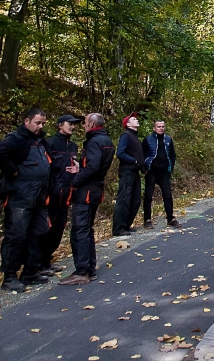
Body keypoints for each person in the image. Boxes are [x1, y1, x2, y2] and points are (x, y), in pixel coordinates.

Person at [0, 107, 52, 292]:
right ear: (27, 121)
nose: (40, 126)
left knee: (40, 231)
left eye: (43, 123)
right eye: (37, 123)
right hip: (20, 196)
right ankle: (9, 276)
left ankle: (31, 271)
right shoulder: (17, 139)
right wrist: (13, 170)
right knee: (16, 235)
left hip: (39, 196)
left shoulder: (39, 140)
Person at [59, 113, 115, 285]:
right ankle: (89, 268)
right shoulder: (106, 141)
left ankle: (82, 271)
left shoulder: (94, 142)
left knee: (80, 230)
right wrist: (81, 167)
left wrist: (76, 179)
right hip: (96, 189)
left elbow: (93, 167)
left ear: (91, 124)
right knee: (87, 229)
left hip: (87, 191)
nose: (82, 126)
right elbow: (93, 166)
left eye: (84, 123)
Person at [39, 114, 81, 275]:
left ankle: (47, 260)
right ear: (59, 125)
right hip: (51, 193)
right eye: (68, 124)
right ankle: (39, 263)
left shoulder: (73, 146)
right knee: (46, 228)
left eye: (73, 124)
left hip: (67, 193)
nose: (72, 126)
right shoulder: (50, 144)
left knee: (59, 228)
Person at [111, 112, 144, 236]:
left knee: (135, 199)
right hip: (127, 171)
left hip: (135, 172)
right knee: (124, 199)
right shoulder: (126, 135)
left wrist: (142, 166)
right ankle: (118, 228)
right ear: (128, 124)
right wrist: (133, 160)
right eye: (134, 119)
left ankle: (126, 225)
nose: (137, 120)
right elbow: (120, 153)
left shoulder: (134, 136)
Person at [143, 120, 179, 229]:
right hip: (151, 171)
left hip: (164, 172)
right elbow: (142, 154)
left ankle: (170, 218)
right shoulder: (148, 140)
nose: (161, 128)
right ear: (154, 128)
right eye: (159, 126)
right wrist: (145, 168)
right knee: (148, 196)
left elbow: (172, 155)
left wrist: (170, 168)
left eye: (163, 126)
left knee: (167, 195)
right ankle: (147, 220)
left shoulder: (168, 139)